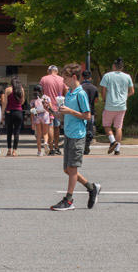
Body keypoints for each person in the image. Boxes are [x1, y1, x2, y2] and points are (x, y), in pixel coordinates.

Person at [49, 62, 100, 210]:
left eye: (65, 78)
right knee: (68, 170)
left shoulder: (81, 93)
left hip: (78, 135)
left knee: (72, 169)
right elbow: (63, 116)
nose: (63, 81)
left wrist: (70, 111)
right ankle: (92, 188)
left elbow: (87, 115)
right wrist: (51, 111)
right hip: (69, 134)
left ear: (73, 77)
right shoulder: (69, 93)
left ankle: (69, 200)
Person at [99, 58, 133, 154]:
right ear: (122, 67)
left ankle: (112, 141)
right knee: (118, 127)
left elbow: (104, 90)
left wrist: (105, 99)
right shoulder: (127, 77)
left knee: (106, 125)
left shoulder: (107, 76)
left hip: (110, 105)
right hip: (122, 106)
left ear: (114, 66)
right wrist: (124, 97)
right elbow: (132, 91)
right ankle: (117, 149)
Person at [40, 65, 66, 152]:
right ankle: (57, 147)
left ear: (48, 71)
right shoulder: (62, 79)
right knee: (57, 127)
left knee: (50, 127)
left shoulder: (44, 79)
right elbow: (66, 91)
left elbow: (41, 92)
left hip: (48, 107)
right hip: (59, 106)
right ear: (57, 71)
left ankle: (51, 148)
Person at [4, 76, 27, 157]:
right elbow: (23, 101)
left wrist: (4, 110)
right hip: (18, 112)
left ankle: (9, 150)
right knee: (16, 132)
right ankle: (14, 151)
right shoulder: (21, 89)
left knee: (9, 132)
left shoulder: (8, 90)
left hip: (9, 112)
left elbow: (5, 102)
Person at [80, 69, 101, 154]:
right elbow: (96, 101)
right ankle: (87, 145)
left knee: (81, 129)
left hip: (80, 112)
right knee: (89, 129)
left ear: (82, 77)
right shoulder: (94, 88)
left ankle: (81, 145)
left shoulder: (79, 87)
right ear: (90, 78)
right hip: (90, 111)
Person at [30, 82, 52, 155]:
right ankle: (45, 142)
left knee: (38, 134)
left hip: (37, 117)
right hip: (45, 115)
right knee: (45, 133)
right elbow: (50, 108)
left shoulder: (33, 100)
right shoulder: (46, 98)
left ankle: (39, 151)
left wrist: (32, 122)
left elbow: (32, 111)